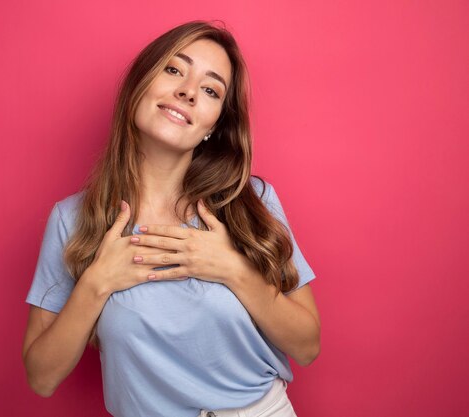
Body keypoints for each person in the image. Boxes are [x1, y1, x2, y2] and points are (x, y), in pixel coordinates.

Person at [22, 20, 320, 417]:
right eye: (175, 69)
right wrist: (97, 282)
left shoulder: (251, 201)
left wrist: (233, 270)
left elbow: (307, 345)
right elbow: (42, 378)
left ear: (215, 125)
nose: (188, 92)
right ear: (140, 83)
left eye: (211, 90)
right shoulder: (71, 220)